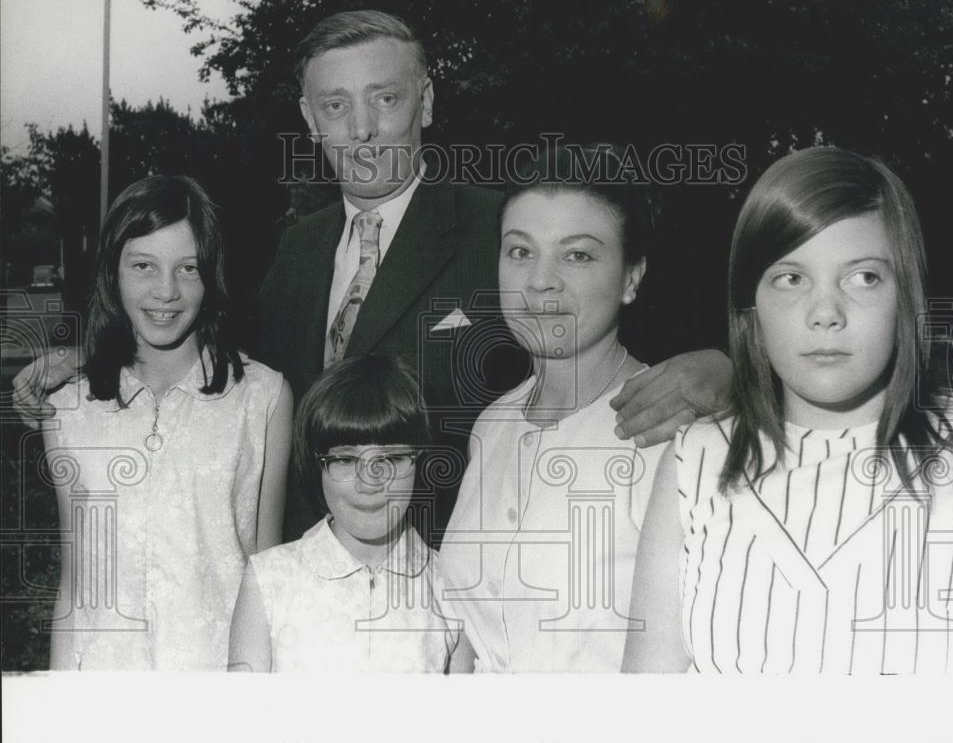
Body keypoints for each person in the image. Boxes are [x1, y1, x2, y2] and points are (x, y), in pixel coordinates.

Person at [15, 10, 732, 546]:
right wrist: (106, 354)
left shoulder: (506, 232)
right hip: (306, 584)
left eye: (384, 99)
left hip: (446, 591)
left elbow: (651, 331)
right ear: (309, 119)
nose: (362, 129)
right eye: (335, 106)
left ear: (424, 101)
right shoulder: (298, 247)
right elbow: (227, 357)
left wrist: (717, 369)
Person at [623, 146, 953, 674]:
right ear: (750, 303)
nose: (826, 314)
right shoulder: (696, 459)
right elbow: (645, 711)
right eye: (791, 278)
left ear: (907, 293)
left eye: (864, 277)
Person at [438, 144, 674, 672]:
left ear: (631, 279)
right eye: (520, 251)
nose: (540, 280)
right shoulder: (491, 425)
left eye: (578, 254)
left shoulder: (670, 428)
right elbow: (463, 637)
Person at [41, 175, 292, 671]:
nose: (166, 291)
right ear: (112, 274)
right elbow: (77, 585)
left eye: (188, 269)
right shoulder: (68, 411)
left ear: (212, 276)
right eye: (143, 266)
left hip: (214, 692)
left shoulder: (263, 399)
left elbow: (269, 579)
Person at [227, 354, 464, 673]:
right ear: (318, 466)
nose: (369, 481)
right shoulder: (269, 579)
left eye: (392, 459)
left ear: (421, 461)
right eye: (345, 460)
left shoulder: (451, 585)